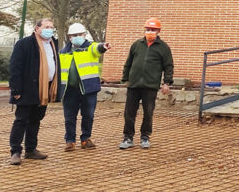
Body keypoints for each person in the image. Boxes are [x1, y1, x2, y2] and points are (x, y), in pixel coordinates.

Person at [8, 18, 59, 165]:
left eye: (51, 27)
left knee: (36, 120)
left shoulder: (53, 44)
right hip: (27, 89)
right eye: (46, 26)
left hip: (45, 89)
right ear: (37, 28)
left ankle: (31, 149)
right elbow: (15, 68)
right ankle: (15, 151)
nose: (49, 29)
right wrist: (16, 89)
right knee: (21, 120)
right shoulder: (24, 44)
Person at [120, 17, 173, 149]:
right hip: (134, 85)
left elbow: (168, 66)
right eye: (148, 29)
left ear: (158, 31)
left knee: (148, 112)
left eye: (153, 30)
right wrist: (125, 79)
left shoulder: (163, 48)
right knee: (129, 113)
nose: (150, 32)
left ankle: (145, 137)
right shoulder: (137, 45)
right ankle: (128, 138)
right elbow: (128, 63)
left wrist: (167, 82)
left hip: (150, 86)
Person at [59, 22, 109, 151]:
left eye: (79, 35)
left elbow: (98, 48)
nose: (77, 37)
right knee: (69, 117)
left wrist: (104, 46)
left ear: (84, 35)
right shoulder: (63, 52)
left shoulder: (90, 47)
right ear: (70, 37)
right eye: (74, 35)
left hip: (88, 88)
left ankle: (85, 139)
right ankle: (70, 141)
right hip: (69, 90)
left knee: (88, 115)